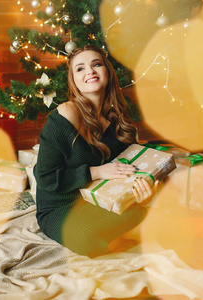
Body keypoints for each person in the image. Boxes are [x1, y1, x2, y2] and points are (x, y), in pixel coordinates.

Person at [33, 45, 159, 257]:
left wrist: (142, 193)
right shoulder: (66, 113)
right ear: (74, 80)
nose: (90, 71)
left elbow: (124, 171)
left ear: (107, 71)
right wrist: (97, 171)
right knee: (85, 239)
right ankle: (135, 232)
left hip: (99, 199)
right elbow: (44, 177)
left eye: (96, 64)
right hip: (60, 207)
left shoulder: (116, 117)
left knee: (146, 209)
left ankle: (134, 230)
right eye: (80, 69)